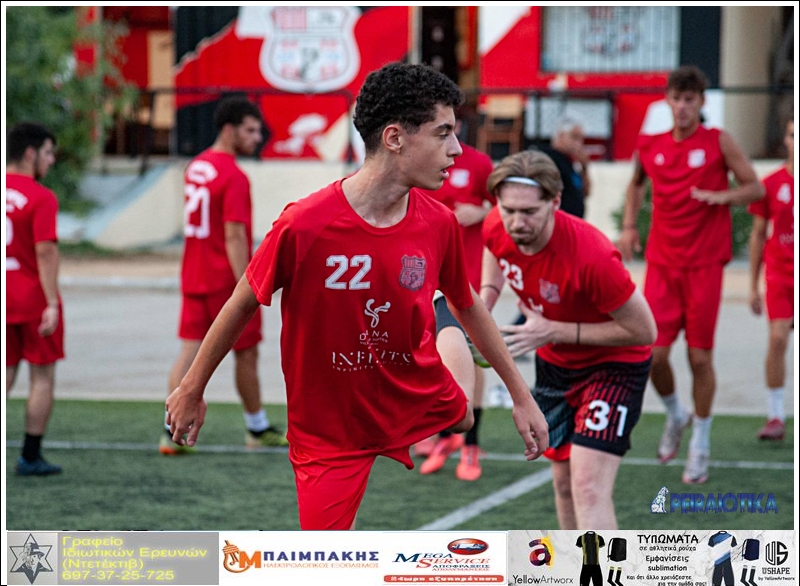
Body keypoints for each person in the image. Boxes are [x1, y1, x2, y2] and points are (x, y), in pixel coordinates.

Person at [165, 62, 548, 530]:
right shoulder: (304, 224)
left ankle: (440, 319)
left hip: (407, 386)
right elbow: (240, 303)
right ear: (395, 138)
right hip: (329, 431)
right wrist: (192, 388)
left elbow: (469, 304)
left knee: (464, 417)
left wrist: (521, 395)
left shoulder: (438, 222)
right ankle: (438, 316)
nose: (456, 149)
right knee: (324, 556)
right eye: (443, 133)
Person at [481, 150, 657, 529]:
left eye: (529, 212)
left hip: (614, 367)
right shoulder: (497, 223)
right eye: (508, 209)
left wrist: (555, 330)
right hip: (556, 366)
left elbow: (645, 331)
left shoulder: (592, 256)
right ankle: (573, 561)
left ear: (556, 202)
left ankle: (604, 564)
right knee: (563, 485)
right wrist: (486, 301)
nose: (516, 222)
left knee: (588, 488)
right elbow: (494, 248)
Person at [617, 65, 764, 484]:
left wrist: (722, 196)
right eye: (676, 99)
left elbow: (755, 187)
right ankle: (676, 414)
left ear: (701, 102)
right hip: (663, 264)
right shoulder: (651, 145)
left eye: (690, 100)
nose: (682, 107)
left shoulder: (718, 141)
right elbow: (636, 184)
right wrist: (629, 226)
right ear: (667, 100)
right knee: (652, 355)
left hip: (705, 265)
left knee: (699, 358)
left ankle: (700, 442)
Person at [160, 96, 288, 455]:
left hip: (194, 274)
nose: (257, 137)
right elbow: (233, 235)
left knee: (190, 351)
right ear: (229, 130)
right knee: (246, 354)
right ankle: (256, 427)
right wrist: (247, 285)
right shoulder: (233, 175)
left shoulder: (196, 166)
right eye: (250, 130)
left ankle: (169, 429)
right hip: (223, 280)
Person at [414, 119, 496, 481]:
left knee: (472, 356)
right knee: (430, 352)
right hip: (423, 273)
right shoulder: (418, 160)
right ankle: (444, 434)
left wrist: (483, 212)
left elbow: (505, 210)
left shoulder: (478, 164)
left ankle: (470, 444)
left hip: (467, 276)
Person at [6, 122, 64, 476]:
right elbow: (45, 251)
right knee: (41, 378)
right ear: (30, 154)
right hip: (31, 299)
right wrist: (52, 302)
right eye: (47, 152)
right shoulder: (41, 197)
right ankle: (30, 456)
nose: (51, 160)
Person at [747, 119, 794, 441]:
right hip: (780, 274)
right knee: (777, 340)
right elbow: (758, 234)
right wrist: (753, 286)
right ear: (785, 140)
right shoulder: (772, 183)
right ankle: (776, 415)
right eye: (792, 135)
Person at [540, 117, 591, 219]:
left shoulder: (570, 162)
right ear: (561, 135)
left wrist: (584, 168)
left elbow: (585, 193)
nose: (578, 143)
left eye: (581, 139)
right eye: (574, 137)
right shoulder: (548, 159)